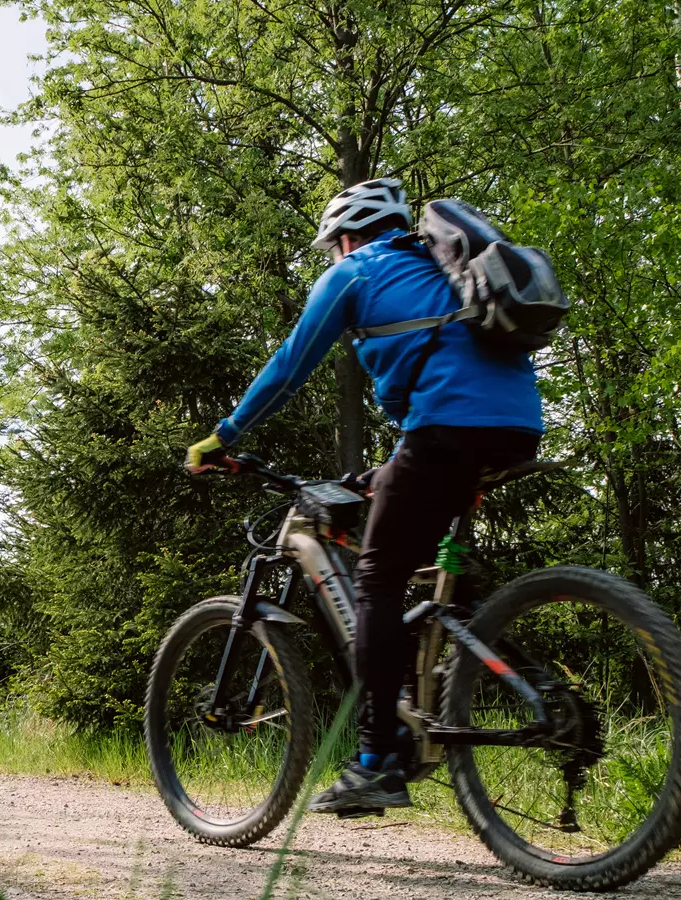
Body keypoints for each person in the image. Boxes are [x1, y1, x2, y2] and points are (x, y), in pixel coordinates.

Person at [183, 178, 544, 816]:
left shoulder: (356, 271)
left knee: (376, 577)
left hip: (444, 430)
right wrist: (378, 477)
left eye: (334, 244)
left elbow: (292, 363)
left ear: (347, 235)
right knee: (412, 528)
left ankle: (377, 758)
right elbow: (455, 367)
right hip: (515, 428)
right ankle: (503, 662)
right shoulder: (439, 268)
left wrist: (225, 434)